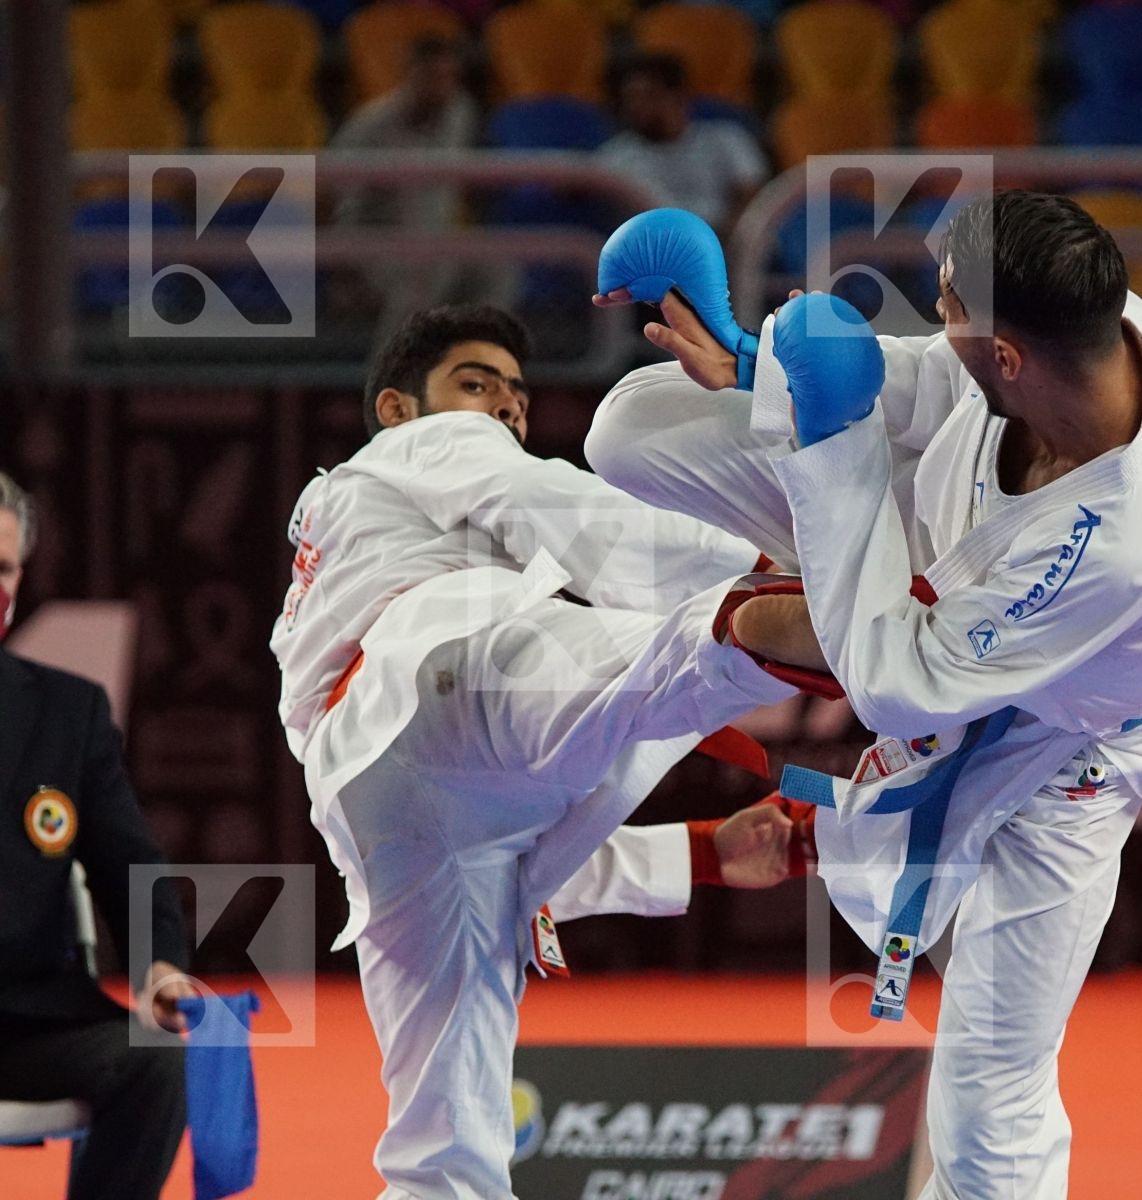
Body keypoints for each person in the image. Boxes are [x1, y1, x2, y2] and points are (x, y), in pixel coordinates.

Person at [586, 192, 1142, 1198]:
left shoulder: (1131, 543)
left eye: (946, 308)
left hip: (1065, 749)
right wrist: (754, 361)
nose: (933, 323)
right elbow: (939, 384)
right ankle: (801, 592)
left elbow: (899, 686)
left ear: (1011, 355)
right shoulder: (1107, 332)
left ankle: (783, 611)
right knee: (635, 427)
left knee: (988, 1095)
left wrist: (831, 443)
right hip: (945, 558)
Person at [268, 305, 814, 1199]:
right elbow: (554, 504)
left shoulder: (326, 568)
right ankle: (801, 614)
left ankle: (768, 629)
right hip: (447, 677)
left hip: (391, 817)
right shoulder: (426, 448)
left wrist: (699, 856)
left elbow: (486, 829)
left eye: (517, 397)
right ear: (398, 408)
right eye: (476, 384)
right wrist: (751, 561)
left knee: (445, 1158)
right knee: (643, 655)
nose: (503, 410)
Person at [0, 470, 194, 1200]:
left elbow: (129, 864)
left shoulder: (66, 713)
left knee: (152, 1063)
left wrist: (160, 968)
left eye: (4, 568)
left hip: (31, 1021)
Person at [331, 36, 483, 342]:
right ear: (409, 75)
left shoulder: (460, 113)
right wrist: (342, 270)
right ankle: (388, 377)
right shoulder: (369, 126)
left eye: (448, 78)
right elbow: (332, 197)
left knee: (497, 270)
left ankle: (479, 367)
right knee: (422, 280)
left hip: (438, 241)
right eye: (431, 77)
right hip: (376, 244)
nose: (440, 87)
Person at [598, 53, 768, 231]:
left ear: (680, 96)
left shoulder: (725, 138)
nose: (637, 107)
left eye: (649, 96)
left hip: (726, 242)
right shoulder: (613, 158)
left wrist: (728, 236)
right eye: (631, 98)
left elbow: (754, 194)